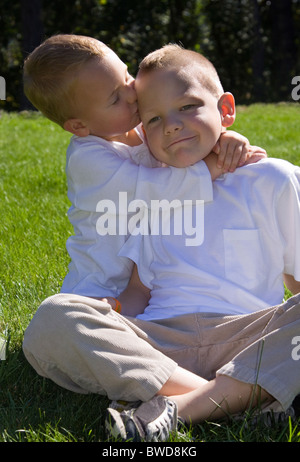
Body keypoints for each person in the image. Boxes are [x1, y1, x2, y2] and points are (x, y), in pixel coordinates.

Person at [22, 35, 267, 442]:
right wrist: (212, 165)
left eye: (126, 78)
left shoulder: (132, 130)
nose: (133, 96)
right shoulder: (89, 159)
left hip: (167, 304)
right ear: (80, 125)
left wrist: (218, 139)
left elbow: (179, 139)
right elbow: (155, 188)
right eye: (116, 98)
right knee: (55, 323)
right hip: (108, 299)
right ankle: (225, 400)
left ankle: (188, 399)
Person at [102, 44, 300, 440]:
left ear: (225, 109)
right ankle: (243, 398)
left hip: (245, 338)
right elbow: (140, 289)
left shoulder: (274, 179)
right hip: (160, 344)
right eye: (154, 119)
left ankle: (172, 409)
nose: (171, 125)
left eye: (188, 106)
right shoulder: (154, 190)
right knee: (57, 317)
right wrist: (112, 315)